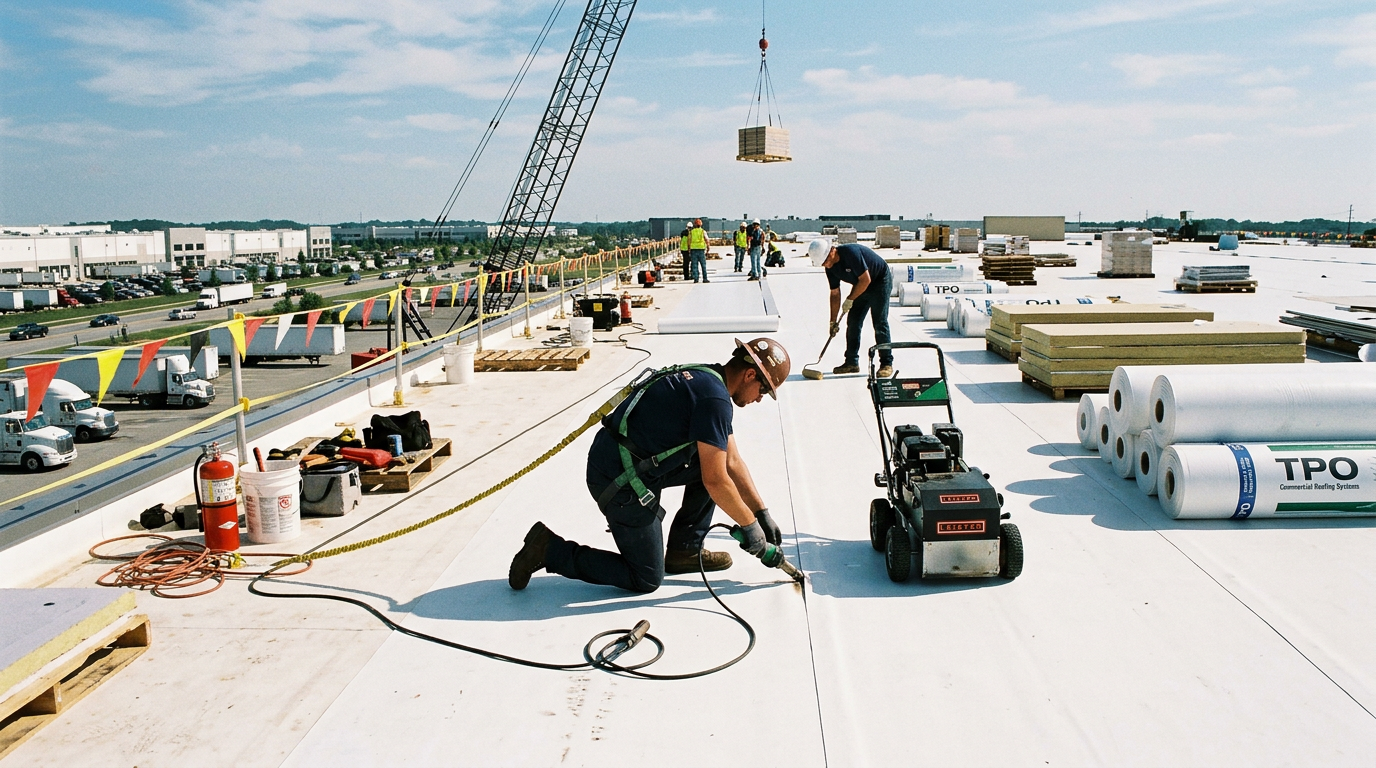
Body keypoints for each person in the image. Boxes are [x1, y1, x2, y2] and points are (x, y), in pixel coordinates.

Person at [509, 338, 793, 593]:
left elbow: (730, 461)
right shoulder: (714, 400)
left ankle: (685, 550)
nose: (759, 399)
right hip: (618, 479)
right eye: (762, 390)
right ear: (750, 374)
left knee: (710, 461)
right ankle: (549, 549)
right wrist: (750, 528)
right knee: (645, 577)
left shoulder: (708, 379)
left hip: (622, 460)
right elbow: (716, 481)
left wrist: (760, 512)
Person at [808, 238, 893, 378]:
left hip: (879, 281)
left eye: (826, 260)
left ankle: (886, 363)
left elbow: (866, 279)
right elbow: (835, 293)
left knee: (879, 322)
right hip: (861, 284)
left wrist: (850, 299)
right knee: (853, 322)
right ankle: (852, 362)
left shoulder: (850, 253)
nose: (826, 265)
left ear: (832, 251)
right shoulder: (830, 268)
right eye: (823, 263)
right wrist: (833, 321)